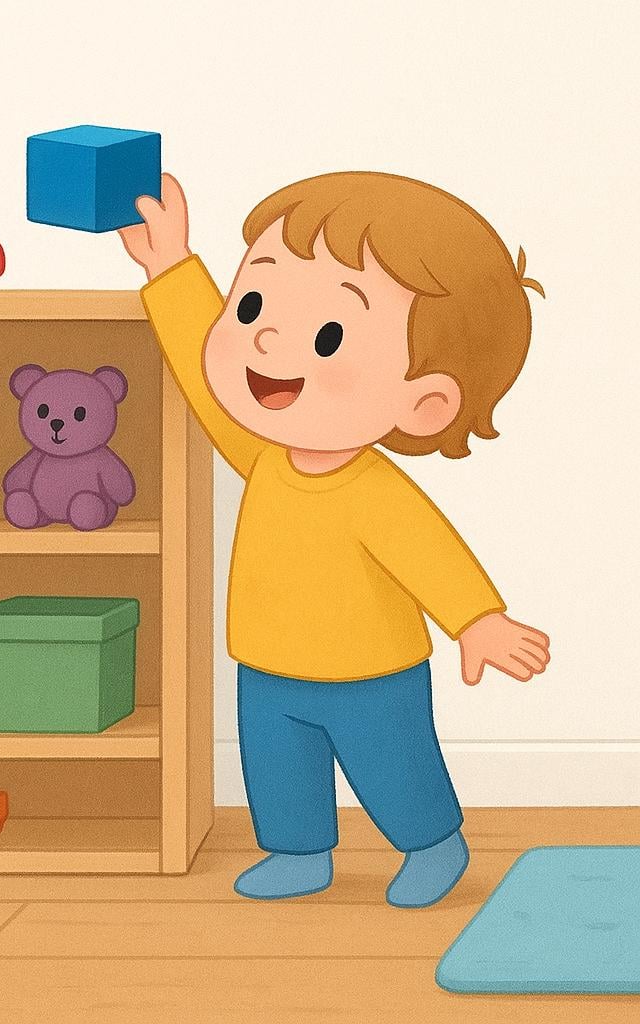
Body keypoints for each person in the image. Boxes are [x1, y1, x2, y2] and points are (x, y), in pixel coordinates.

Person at [119, 171, 550, 906]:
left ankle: (432, 844)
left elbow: (430, 553)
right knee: (278, 766)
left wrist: (478, 620)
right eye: (251, 305)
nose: (264, 337)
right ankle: (299, 853)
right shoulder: (265, 457)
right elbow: (203, 380)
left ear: (424, 404)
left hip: (371, 673)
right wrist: (172, 268)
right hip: (268, 662)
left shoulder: (375, 491)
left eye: (328, 337)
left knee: (394, 767)